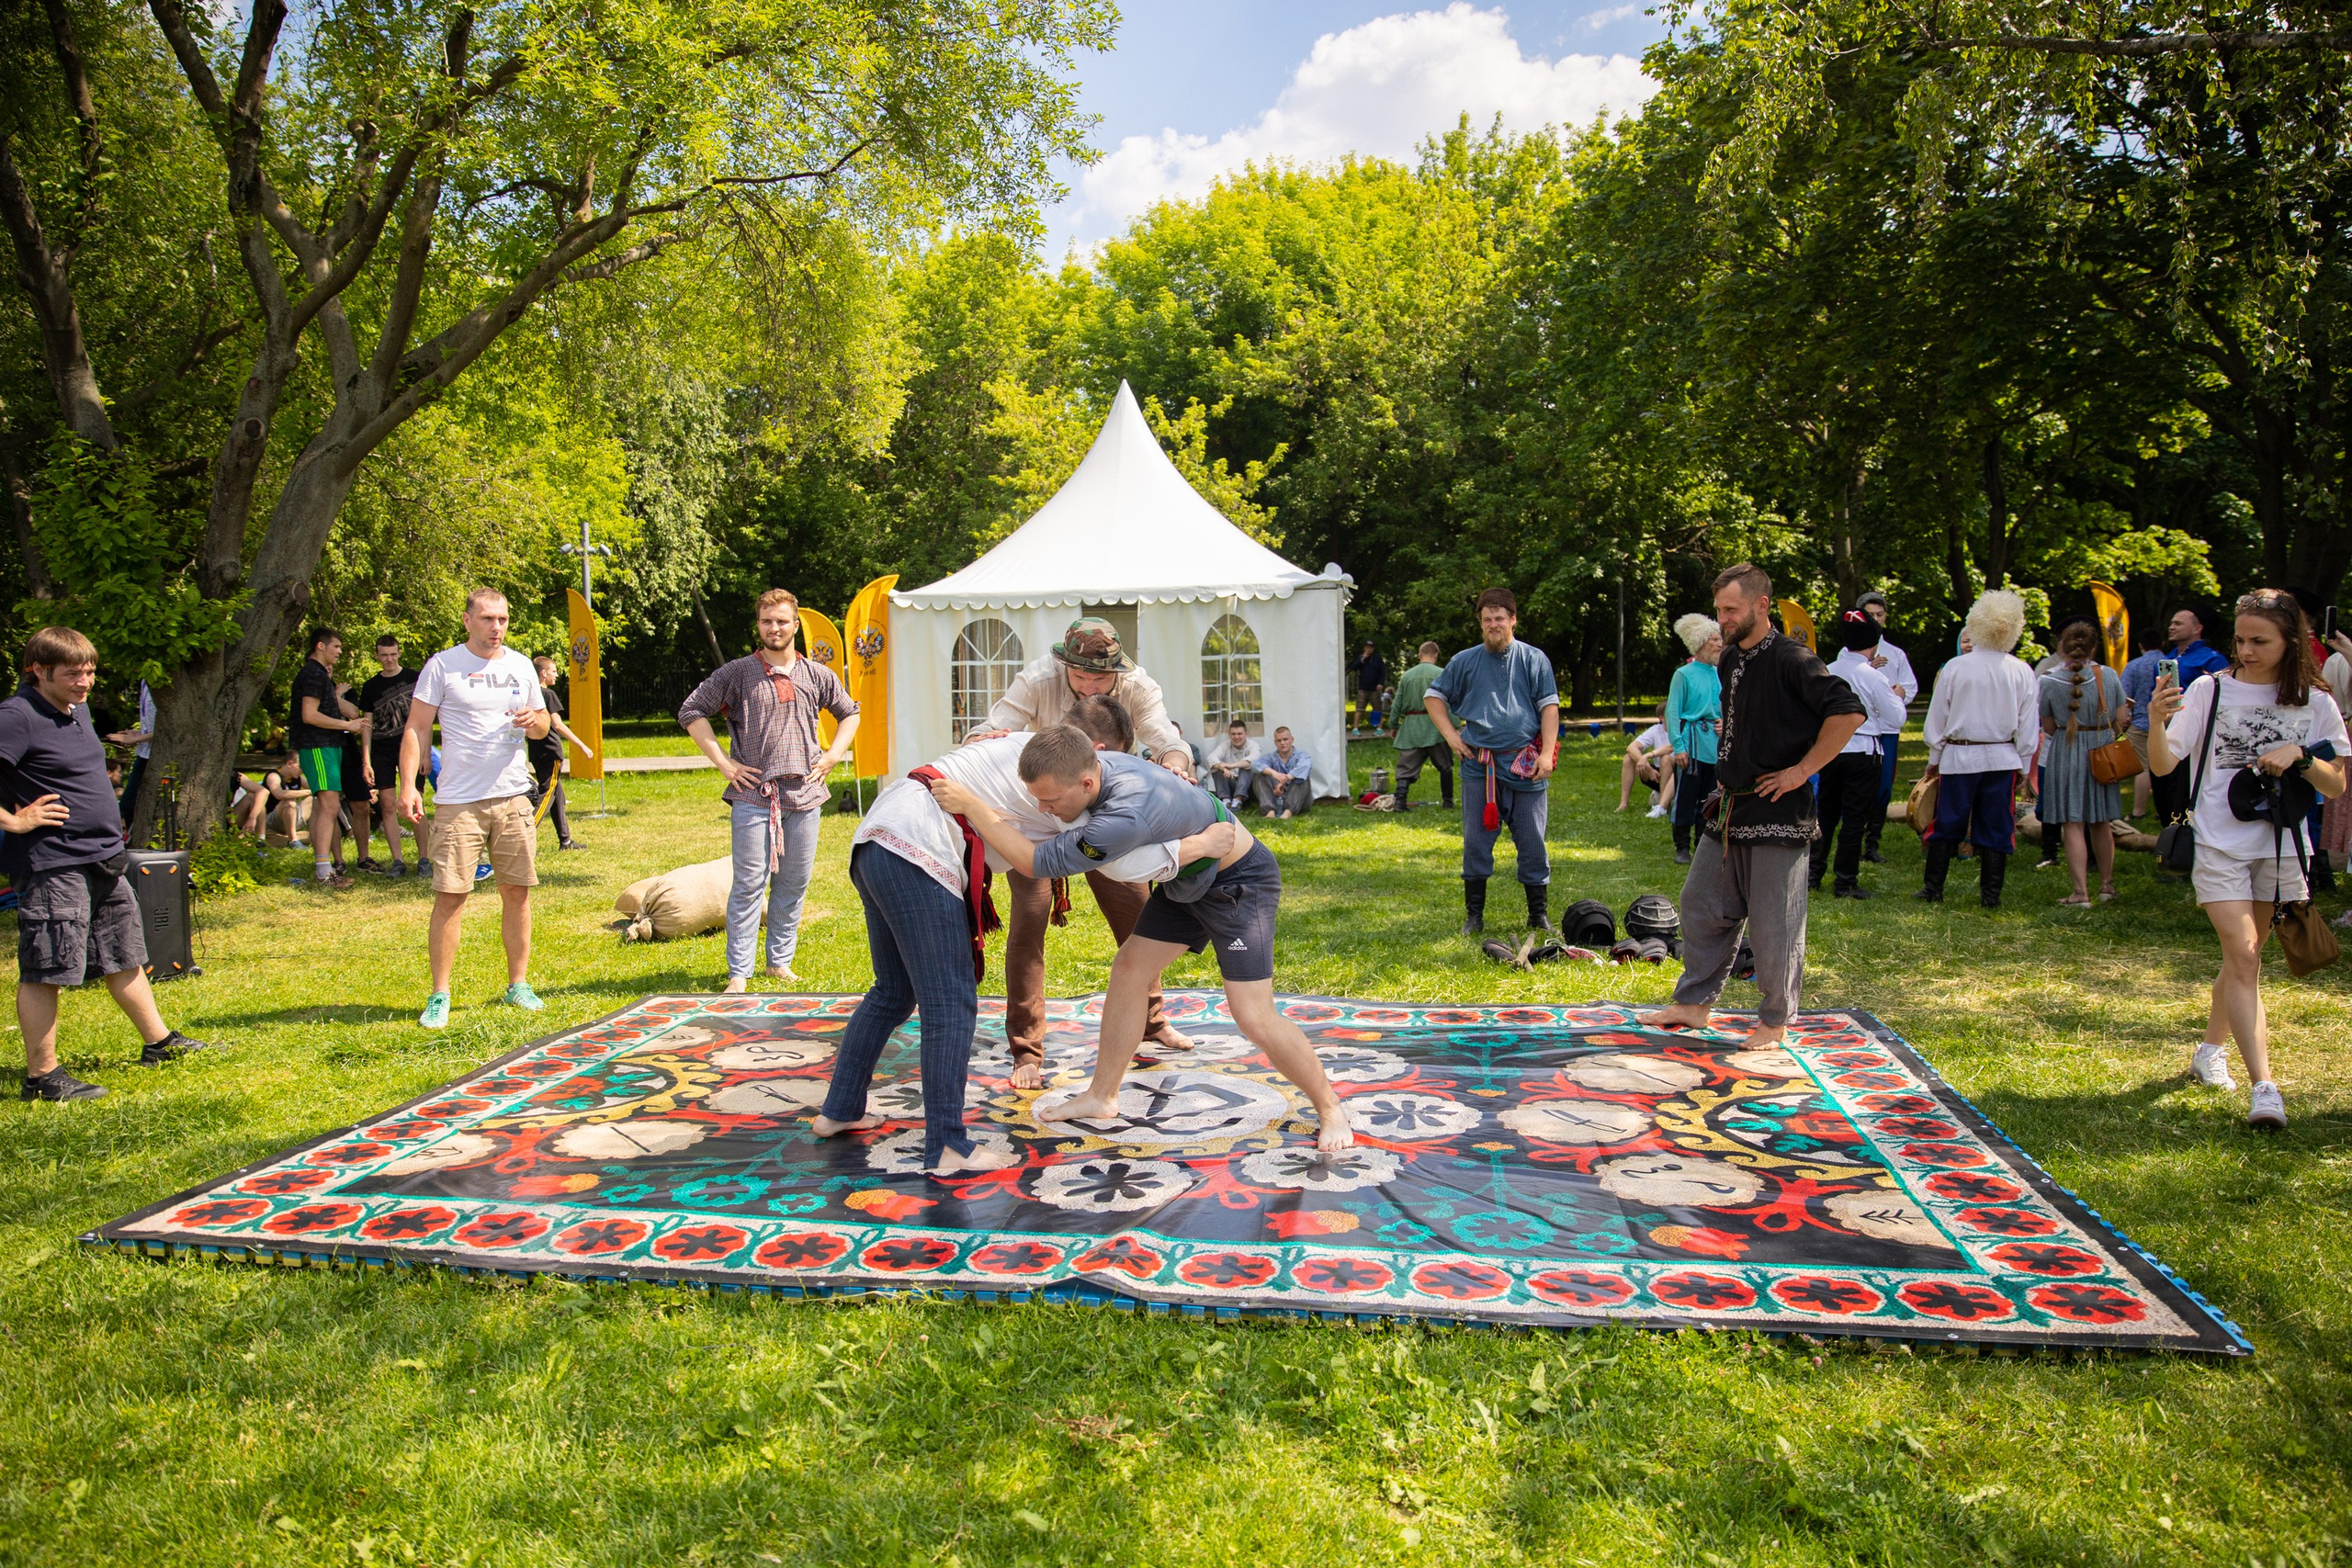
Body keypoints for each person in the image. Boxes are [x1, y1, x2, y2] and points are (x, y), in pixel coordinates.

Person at [820, 728, 1229, 1174]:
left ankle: (840, 1109)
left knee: (894, 991)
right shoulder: (1066, 781)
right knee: (949, 1002)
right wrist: (1195, 846)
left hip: (876, 837)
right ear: (1097, 758)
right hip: (917, 844)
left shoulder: (1031, 747)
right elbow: (1115, 863)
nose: (1042, 805)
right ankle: (946, 1145)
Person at [932, 726, 1356, 1153]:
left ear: (1086, 782)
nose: (1042, 809)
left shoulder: (1121, 819)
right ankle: (1103, 1095)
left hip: (1237, 884)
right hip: (1189, 882)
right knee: (1130, 969)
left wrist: (974, 807)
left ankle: (1329, 1107)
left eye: (1050, 801)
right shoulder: (1096, 763)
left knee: (1253, 1015)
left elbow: (1036, 862)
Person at [1638, 564, 1865, 1049]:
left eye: (1731, 610)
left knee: (1773, 923)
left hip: (1780, 811)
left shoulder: (1793, 657)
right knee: (1701, 905)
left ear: (1762, 605)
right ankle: (1695, 1003)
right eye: (1719, 610)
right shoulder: (1730, 660)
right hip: (1731, 808)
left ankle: (1775, 1022)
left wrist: (1801, 771)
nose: (1722, 620)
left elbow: (1847, 712)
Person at [2148, 590, 2346, 1132]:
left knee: (2246, 960)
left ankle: (2210, 1049)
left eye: (2260, 641)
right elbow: (2165, 765)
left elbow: (2336, 782)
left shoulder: (2316, 701)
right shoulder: (2211, 690)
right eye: (2241, 639)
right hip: (2217, 843)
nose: (2247, 650)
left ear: (2291, 642)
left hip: (2281, 845)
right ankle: (2266, 1089)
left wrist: (2302, 757)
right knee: (2243, 951)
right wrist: (2156, 722)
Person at [0, 627, 215, 1100]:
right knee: (47, 965)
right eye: (73, 673)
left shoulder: (76, 709)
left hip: (100, 858)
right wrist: (15, 822)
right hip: (53, 864)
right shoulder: (16, 715)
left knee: (124, 953)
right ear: (37, 669)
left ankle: (159, 1043)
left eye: (90, 671)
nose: (85, 682)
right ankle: (42, 1077)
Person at [994, 695, 1197, 1089]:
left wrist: (1174, 766)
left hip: (1098, 833)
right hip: (1032, 840)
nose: (1112, 770)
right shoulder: (1038, 688)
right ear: (1097, 753)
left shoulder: (1135, 689)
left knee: (1141, 921)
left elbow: (1163, 733)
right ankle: (1026, 1050)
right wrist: (982, 736)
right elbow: (993, 727)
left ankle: (1151, 1022)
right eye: (1110, 760)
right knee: (1028, 929)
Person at [678, 589, 861, 993]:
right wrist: (726, 765)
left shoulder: (817, 674)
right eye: (766, 621)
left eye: (781, 621)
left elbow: (850, 713)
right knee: (749, 884)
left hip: (806, 794)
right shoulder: (738, 673)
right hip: (754, 795)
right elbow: (691, 711)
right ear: (758, 625)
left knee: (793, 883)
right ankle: (739, 973)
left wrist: (832, 756)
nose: (774, 628)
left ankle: (780, 962)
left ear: (795, 625)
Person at [399, 589, 551, 1029]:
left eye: (502, 619)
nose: (496, 627)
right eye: (487, 618)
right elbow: (416, 728)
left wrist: (533, 721)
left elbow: (542, 728)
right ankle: (439, 995)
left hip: (511, 797)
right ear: (467, 621)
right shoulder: (442, 666)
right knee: (451, 896)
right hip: (459, 802)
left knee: (517, 892)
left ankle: (518, 985)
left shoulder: (521, 665)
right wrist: (408, 785)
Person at [1427, 588, 1560, 935]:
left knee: (1533, 840)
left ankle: (1538, 914)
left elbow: (1549, 707)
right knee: (1475, 842)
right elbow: (1433, 696)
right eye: (1487, 619)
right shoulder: (1464, 661)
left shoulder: (1534, 659)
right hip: (1479, 767)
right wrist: (1452, 737)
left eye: (1500, 618)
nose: (1493, 624)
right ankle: (1474, 916)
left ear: (1513, 620)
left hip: (1524, 766)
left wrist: (1546, 752)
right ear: (1480, 623)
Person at [1917, 591, 2039, 908]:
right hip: (2002, 758)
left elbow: (1938, 719)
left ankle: (1933, 889)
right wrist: (2024, 764)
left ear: (1976, 623)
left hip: (1960, 757)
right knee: (1997, 824)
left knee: (1948, 821)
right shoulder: (2022, 670)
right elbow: (2028, 724)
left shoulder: (1956, 668)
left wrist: (1935, 758)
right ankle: (1991, 896)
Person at [983, 617, 1195, 779]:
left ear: (1117, 671)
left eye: (1100, 678)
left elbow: (1169, 742)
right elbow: (989, 731)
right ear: (1064, 665)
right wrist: (981, 741)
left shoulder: (1139, 687)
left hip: (1114, 781)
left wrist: (1174, 768)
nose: (1089, 688)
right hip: (1049, 784)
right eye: (1079, 677)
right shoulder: (1037, 679)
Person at [2037, 621, 2130, 905]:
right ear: (2093, 647)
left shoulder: (2049, 681)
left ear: (2062, 647)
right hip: (2101, 748)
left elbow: (2049, 727)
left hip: (2066, 751)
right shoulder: (2109, 675)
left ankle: (2080, 893)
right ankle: (2107, 886)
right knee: (2101, 822)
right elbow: (2122, 717)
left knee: (2073, 823)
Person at [1817, 610, 1907, 898]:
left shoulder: (1826, 670)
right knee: (1855, 818)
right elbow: (1896, 719)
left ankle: (1812, 874)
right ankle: (1845, 881)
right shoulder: (1873, 676)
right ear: (1873, 643)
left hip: (1830, 749)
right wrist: (1898, 697)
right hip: (1863, 750)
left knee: (1826, 814)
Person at [290, 628, 366, 888]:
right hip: (318, 746)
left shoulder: (320, 674)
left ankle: (325, 869)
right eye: (336, 646)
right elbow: (309, 715)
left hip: (327, 746)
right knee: (330, 805)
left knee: (325, 806)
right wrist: (347, 726)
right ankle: (324, 873)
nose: (339, 651)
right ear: (320, 646)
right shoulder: (312, 673)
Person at [2150, 604, 2231, 832]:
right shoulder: (2167, 659)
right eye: (2171, 622)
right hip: (2162, 731)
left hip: (2193, 738)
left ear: (2197, 628)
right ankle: (2171, 846)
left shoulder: (2212, 660)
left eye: (2178, 623)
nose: (2171, 627)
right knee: (2163, 792)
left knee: (2182, 795)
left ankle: (2187, 847)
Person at [1851, 594, 1915, 863]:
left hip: (1887, 729)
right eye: (1870, 615)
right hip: (1860, 730)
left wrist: (1897, 692)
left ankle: (1872, 842)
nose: (1875, 619)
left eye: (1880, 614)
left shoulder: (1896, 654)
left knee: (1883, 785)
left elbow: (1909, 687)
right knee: (1859, 786)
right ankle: (1854, 834)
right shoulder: (1852, 653)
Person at [358, 635, 418, 875]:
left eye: (393, 654)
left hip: (410, 747)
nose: (389, 659)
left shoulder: (415, 678)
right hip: (382, 750)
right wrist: (366, 760)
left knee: (416, 800)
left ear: (399, 653)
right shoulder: (370, 687)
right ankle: (398, 861)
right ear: (377, 656)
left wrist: (424, 752)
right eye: (384, 655)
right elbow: (366, 725)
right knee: (387, 805)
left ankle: (424, 859)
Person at [1665, 615, 1723, 864]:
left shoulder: (1723, 672)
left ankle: (1702, 844)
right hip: (1692, 744)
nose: (1720, 644)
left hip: (1716, 745)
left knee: (1710, 796)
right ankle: (1681, 847)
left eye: (1721, 639)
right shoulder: (1683, 674)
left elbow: (1730, 706)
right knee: (1687, 796)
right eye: (1714, 639)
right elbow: (1673, 711)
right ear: (1700, 643)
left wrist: (1727, 723)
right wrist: (1678, 746)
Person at [529, 655, 594, 852]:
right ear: (543, 673)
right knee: (548, 793)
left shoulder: (528, 695)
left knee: (557, 795)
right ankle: (524, 833)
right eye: (554, 671)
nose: (557, 675)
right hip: (551, 752)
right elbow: (557, 725)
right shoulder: (547, 695)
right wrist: (582, 745)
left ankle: (565, 842)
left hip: (536, 752)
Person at [1389, 641, 1453, 812]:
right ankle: (1448, 802)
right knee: (1445, 765)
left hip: (1412, 728)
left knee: (1405, 767)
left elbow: (1397, 703)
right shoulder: (1441, 674)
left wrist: (1393, 725)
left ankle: (1400, 802)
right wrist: (1453, 727)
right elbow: (1448, 703)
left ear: (1419, 655)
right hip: (1436, 727)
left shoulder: (1408, 676)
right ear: (1436, 655)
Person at [2120, 631, 2164, 819]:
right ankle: (2165, 810)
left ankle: (2138, 811)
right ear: (2162, 643)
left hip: (2139, 722)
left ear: (2140, 645)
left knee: (2143, 768)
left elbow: (2124, 696)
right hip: (2165, 722)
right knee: (2164, 767)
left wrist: (2124, 719)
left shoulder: (2134, 665)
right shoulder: (2170, 663)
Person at [101, 680, 154, 830]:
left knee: (129, 803)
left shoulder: (161, 682)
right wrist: (138, 734)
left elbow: (171, 726)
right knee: (128, 804)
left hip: (153, 754)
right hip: (144, 753)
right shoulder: (145, 681)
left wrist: (136, 739)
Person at [336, 677, 377, 872]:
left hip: (350, 754)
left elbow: (353, 714)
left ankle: (364, 858)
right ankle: (337, 861)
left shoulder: (347, 690)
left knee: (361, 805)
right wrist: (335, 695)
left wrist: (337, 696)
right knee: (329, 807)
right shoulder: (315, 688)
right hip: (326, 751)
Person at [1618, 713, 1674, 817]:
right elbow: (1631, 747)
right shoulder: (1655, 730)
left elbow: (1671, 747)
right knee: (1628, 758)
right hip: (1657, 774)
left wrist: (1648, 755)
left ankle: (1662, 806)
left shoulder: (1682, 728)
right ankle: (1623, 804)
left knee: (1665, 759)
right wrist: (1648, 768)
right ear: (1662, 717)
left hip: (1677, 774)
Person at [1252, 726, 1313, 818]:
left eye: (1285, 739)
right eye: (1279, 740)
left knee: (1302, 777)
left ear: (1292, 739)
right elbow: (1254, 765)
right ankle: (1270, 812)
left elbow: (1305, 765)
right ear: (1275, 742)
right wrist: (1274, 774)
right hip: (1275, 798)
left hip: (1298, 801)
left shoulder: (1302, 756)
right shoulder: (1271, 757)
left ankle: (1288, 812)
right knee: (1259, 774)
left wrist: (1284, 779)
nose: (1282, 743)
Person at [1202, 721, 1261, 808]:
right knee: (1216, 767)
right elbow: (1210, 758)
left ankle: (1238, 800)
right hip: (1231, 783)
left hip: (1248, 787)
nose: (1236, 737)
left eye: (1239, 734)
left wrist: (1231, 766)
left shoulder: (1253, 745)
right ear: (1229, 735)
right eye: (1233, 734)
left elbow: (1254, 759)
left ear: (1246, 734)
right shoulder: (1225, 745)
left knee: (1248, 766)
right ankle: (1226, 800)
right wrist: (1222, 767)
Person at [1352, 641, 1388, 735]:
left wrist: (1381, 683)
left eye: (1371, 648)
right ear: (1365, 648)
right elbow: (1354, 667)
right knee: (1359, 708)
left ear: (1373, 649)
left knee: (1377, 709)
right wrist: (1363, 658)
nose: (1369, 649)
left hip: (1375, 689)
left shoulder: (1377, 659)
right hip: (1363, 688)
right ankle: (1355, 729)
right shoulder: (1361, 658)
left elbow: (1383, 672)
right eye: (1367, 647)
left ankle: (1379, 729)